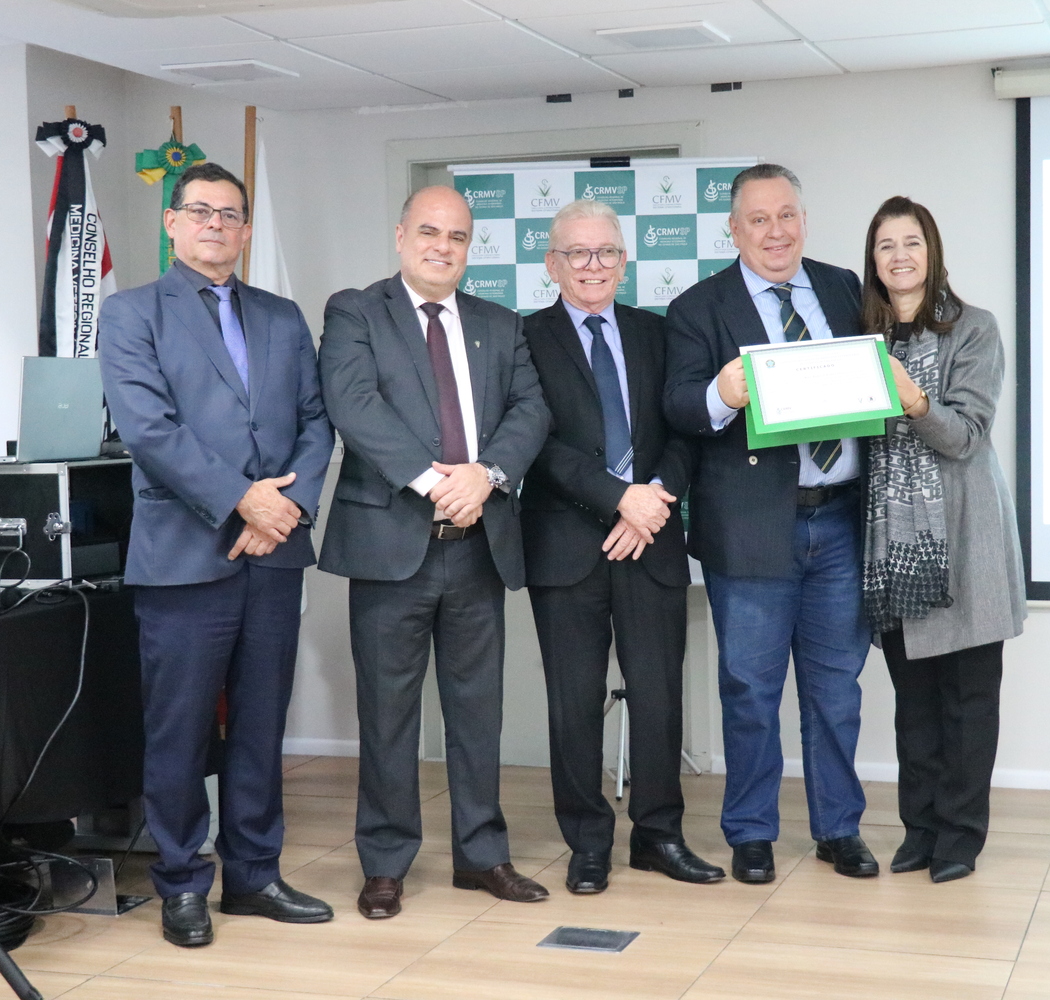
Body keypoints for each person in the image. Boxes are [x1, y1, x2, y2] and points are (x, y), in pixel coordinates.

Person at [99, 162, 336, 947]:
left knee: (262, 725)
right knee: (181, 731)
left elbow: (314, 421)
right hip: (183, 558)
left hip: (271, 557)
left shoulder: (280, 314)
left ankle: (255, 876)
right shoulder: (133, 313)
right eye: (199, 211)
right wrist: (246, 499)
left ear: (244, 228)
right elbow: (148, 430)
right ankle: (180, 883)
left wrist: (285, 509)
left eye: (230, 214)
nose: (215, 225)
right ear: (172, 223)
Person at [318, 186, 551, 919]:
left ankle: (482, 856)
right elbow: (355, 406)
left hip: (478, 546)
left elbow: (531, 409)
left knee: (477, 712)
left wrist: (486, 476)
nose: (442, 246)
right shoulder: (356, 311)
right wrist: (435, 484)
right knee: (388, 715)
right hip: (392, 547)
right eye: (428, 231)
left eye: (456, 235)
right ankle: (385, 862)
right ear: (399, 235)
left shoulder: (499, 323)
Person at [662, 163, 878, 884]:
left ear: (805, 220)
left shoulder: (846, 287)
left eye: (787, 215)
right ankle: (751, 832)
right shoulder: (699, 307)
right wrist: (720, 395)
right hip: (750, 530)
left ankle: (838, 828)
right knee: (749, 691)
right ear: (734, 229)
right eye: (758, 219)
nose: (775, 231)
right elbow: (679, 412)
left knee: (836, 689)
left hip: (841, 524)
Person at [520, 200, 723, 894]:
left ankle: (659, 835)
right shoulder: (524, 339)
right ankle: (587, 841)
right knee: (573, 703)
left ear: (625, 260)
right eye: (577, 253)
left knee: (661, 696)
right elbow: (537, 442)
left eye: (605, 252)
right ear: (553, 263)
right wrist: (618, 498)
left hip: (653, 539)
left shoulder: (658, 334)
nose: (593, 265)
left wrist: (653, 498)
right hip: (565, 545)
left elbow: (685, 430)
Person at [859, 195, 1025, 883]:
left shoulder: (974, 330)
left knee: (969, 701)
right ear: (872, 261)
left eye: (912, 243)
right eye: (886, 245)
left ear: (933, 253)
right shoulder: (857, 339)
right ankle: (919, 831)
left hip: (966, 543)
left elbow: (966, 437)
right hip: (894, 551)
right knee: (913, 704)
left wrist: (914, 400)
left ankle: (960, 837)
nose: (900, 256)